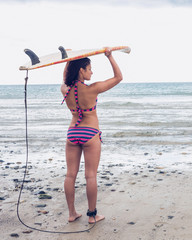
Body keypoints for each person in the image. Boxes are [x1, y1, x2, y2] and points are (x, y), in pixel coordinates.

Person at [60, 48, 122, 224]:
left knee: (70, 174)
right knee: (90, 176)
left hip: (72, 133)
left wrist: (69, 60)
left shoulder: (65, 89)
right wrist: (110, 57)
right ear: (81, 70)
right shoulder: (93, 89)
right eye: (89, 68)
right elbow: (118, 77)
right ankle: (92, 215)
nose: (92, 72)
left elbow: (66, 77)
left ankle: (72, 213)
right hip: (90, 133)